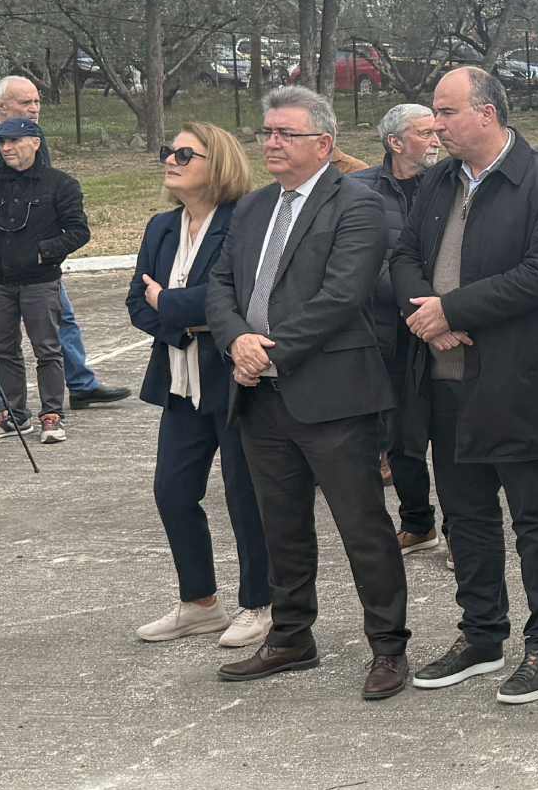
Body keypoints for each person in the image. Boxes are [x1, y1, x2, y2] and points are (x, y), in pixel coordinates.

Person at [205, 86, 410, 701]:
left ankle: (388, 647)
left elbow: (342, 296)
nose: (270, 142)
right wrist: (236, 341)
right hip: (261, 398)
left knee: (362, 526)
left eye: (285, 134)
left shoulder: (358, 204)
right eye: (266, 132)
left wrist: (264, 350)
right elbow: (220, 283)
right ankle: (292, 635)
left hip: (332, 396)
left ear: (323, 143)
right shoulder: (253, 208)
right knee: (281, 526)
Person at [395, 67, 538, 707]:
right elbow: (401, 257)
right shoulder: (438, 183)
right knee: (465, 516)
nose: (436, 126)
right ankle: (481, 634)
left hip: (518, 382)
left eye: (446, 113)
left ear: (487, 112)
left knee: (534, 517)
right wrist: (426, 316)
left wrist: (456, 310)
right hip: (444, 379)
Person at [129, 123, 272, 649]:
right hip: (180, 383)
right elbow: (133, 303)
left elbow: (233, 298)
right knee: (172, 491)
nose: (171, 159)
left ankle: (260, 604)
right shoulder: (161, 228)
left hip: (235, 381)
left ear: (220, 162)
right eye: (169, 151)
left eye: (185, 153)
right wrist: (184, 316)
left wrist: (168, 303)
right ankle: (199, 603)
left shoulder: (244, 222)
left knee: (244, 497)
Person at [0, 75, 129, 417]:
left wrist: (45, 247)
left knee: (59, 318)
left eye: (37, 102)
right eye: (25, 102)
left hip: (36, 252)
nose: (34, 108)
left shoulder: (36, 137)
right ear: (1, 106)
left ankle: (79, 385)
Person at [0, 117, 89, 444]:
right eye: (1, 143)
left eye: (13, 141)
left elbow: (79, 231)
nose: (6, 148)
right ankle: (14, 415)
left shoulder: (61, 184)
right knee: (3, 350)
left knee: (47, 349)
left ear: (35, 143)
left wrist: (45, 252)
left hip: (40, 281)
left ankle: (52, 415)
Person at [350, 102, 443, 558]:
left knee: (447, 431)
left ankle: (462, 532)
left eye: (435, 131)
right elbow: (363, 263)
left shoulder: (448, 184)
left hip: (442, 327)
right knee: (398, 434)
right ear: (396, 142)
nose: (435, 139)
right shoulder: (357, 190)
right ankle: (417, 523)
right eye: (425, 133)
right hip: (383, 333)